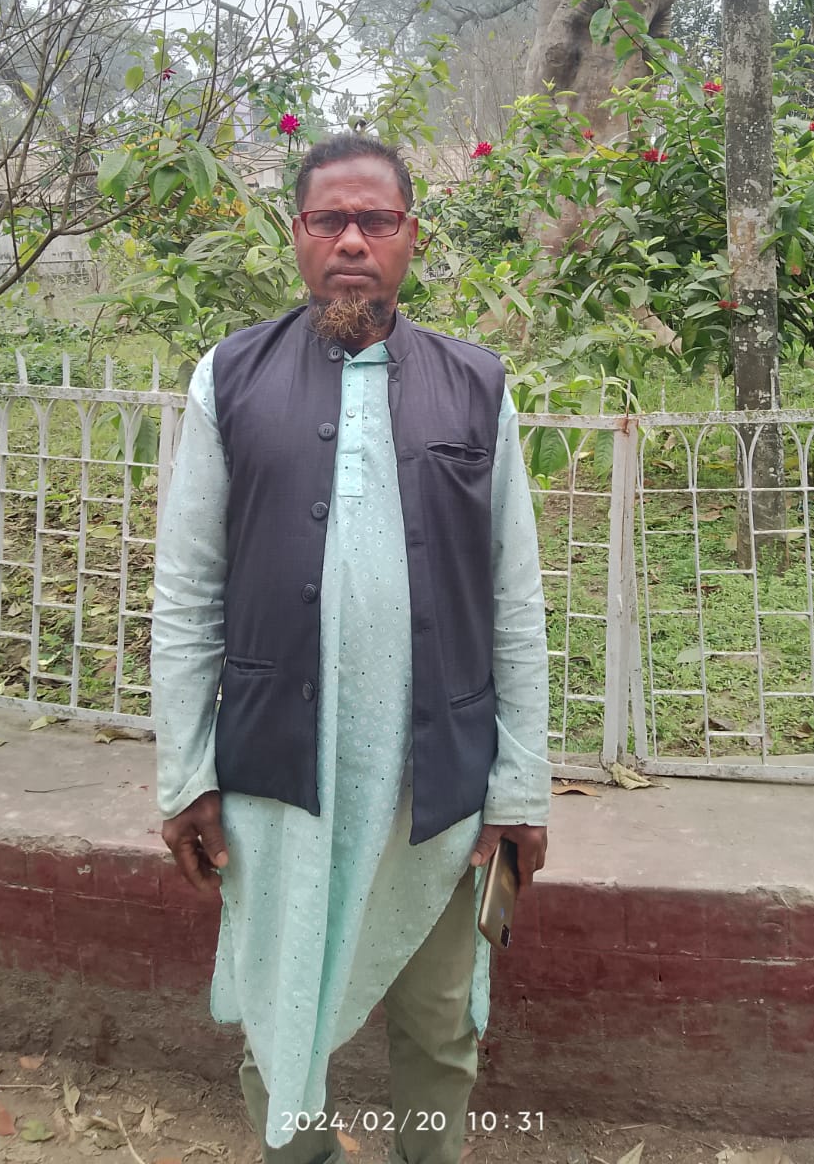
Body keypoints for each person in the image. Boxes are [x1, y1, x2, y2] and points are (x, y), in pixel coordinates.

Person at [151, 133, 549, 1164]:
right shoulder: (229, 378)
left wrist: (522, 788)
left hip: (440, 781)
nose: (353, 241)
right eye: (329, 219)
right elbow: (187, 591)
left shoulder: (479, 387)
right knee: (279, 1017)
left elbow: (515, 602)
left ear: (412, 235)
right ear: (297, 235)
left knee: (443, 1023)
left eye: (377, 219)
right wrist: (184, 774)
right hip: (280, 777)